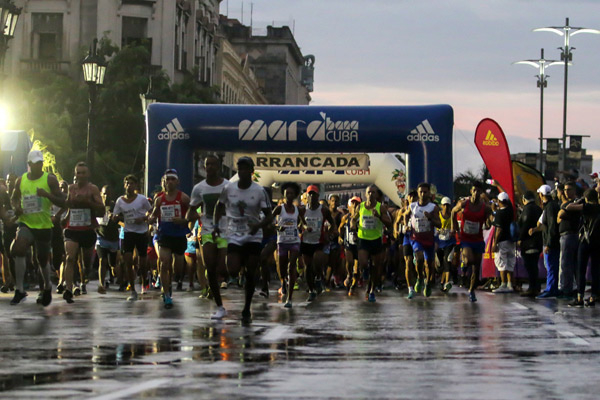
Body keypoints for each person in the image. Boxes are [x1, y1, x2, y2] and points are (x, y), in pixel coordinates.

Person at [213, 156, 273, 324]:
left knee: (251, 272)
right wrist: (217, 224)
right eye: (240, 169)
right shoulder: (229, 188)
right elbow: (219, 205)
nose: (242, 172)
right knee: (231, 269)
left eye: (246, 169)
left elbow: (269, 216)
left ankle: (247, 307)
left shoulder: (259, 191)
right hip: (234, 234)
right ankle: (238, 272)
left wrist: (259, 225)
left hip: (253, 235)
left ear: (251, 172)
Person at [9, 150, 65, 306]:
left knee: (41, 259)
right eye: (35, 164)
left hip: (43, 225)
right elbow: (14, 198)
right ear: (29, 165)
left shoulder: (50, 180)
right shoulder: (21, 180)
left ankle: (47, 286)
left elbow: (62, 201)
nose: (38, 166)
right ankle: (19, 289)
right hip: (26, 222)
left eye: (40, 163)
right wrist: (16, 208)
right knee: (19, 248)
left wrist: (47, 195)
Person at [187, 155, 229, 319]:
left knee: (222, 267)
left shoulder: (228, 186)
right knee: (209, 267)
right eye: (207, 165)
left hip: (225, 230)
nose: (210, 167)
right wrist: (191, 217)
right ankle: (219, 306)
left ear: (218, 167)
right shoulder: (199, 188)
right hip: (207, 231)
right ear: (204, 167)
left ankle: (220, 282)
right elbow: (192, 209)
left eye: (213, 164)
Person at [62, 161, 104, 303]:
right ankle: (68, 289)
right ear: (75, 174)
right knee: (70, 258)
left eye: (83, 173)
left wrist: (88, 202)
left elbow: (101, 209)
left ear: (88, 174)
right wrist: (63, 217)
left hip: (87, 229)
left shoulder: (93, 189)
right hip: (72, 228)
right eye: (78, 172)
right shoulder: (71, 188)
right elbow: (69, 206)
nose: (80, 175)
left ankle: (83, 278)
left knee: (86, 264)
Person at [149, 169, 190, 309]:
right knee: (164, 263)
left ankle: (171, 282)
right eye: (168, 179)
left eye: (173, 179)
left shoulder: (183, 197)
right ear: (164, 182)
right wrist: (148, 220)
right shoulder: (159, 199)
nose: (170, 182)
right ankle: (166, 294)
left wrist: (184, 220)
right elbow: (153, 215)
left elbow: (195, 212)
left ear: (177, 182)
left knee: (178, 268)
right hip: (164, 235)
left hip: (179, 235)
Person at [112, 175, 152, 300]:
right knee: (127, 261)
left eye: (132, 183)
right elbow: (115, 215)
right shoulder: (120, 201)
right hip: (128, 232)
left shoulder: (142, 199)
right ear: (124, 185)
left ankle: (145, 280)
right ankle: (133, 289)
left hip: (141, 232)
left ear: (135, 186)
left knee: (142, 263)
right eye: (127, 183)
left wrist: (144, 218)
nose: (129, 185)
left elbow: (151, 212)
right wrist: (116, 218)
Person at [452, 182, 492, 302]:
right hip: (466, 239)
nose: (476, 193)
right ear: (471, 191)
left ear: (481, 193)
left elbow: (489, 221)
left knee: (476, 267)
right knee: (470, 259)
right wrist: (455, 229)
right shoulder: (465, 203)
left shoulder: (485, 207)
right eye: (474, 190)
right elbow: (453, 212)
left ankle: (471, 290)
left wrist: (490, 221)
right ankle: (464, 265)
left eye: (478, 191)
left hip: (478, 239)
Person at [351, 184, 390, 302]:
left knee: (376, 267)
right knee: (363, 263)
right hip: (363, 239)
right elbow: (353, 218)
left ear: (376, 195)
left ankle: (371, 290)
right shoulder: (361, 206)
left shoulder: (380, 207)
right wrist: (353, 225)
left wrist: (379, 217)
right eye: (369, 192)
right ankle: (365, 272)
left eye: (373, 192)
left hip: (376, 239)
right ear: (365, 194)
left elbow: (389, 222)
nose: (371, 195)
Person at [403, 183, 441, 298]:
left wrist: (430, 218)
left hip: (429, 239)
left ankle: (428, 283)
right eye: (421, 192)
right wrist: (406, 225)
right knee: (419, 259)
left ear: (429, 193)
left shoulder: (433, 207)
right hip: (416, 238)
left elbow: (439, 223)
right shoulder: (413, 206)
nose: (423, 194)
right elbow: (405, 215)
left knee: (429, 265)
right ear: (418, 193)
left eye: (425, 192)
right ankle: (419, 278)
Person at [272, 182, 305, 308]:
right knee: (282, 268)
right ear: (284, 195)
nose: (289, 195)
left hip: (294, 241)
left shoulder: (298, 209)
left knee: (292, 267)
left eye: (292, 193)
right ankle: (283, 282)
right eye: (287, 193)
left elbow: (303, 222)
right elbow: (269, 221)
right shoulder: (279, 208)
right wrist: (277, 226)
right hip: (282, 242)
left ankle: (290, 298)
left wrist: (305, 227)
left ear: (295, 195)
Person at [301, 184, 336, 302]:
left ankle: (318, 278)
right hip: (305, 241)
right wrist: (304, 227)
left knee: (316, 263)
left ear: (317, 196)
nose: (312, 196)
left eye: (314, 194)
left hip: (318, 242)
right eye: (309, 194)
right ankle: (311, 290)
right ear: (307, 196)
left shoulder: (324, 210)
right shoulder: (302, 210)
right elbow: (298, 223)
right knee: (308, 267)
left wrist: (329, 234)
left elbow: (333, 224)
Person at [566, 189, 600, 307]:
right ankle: (593, 297)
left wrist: (579, 201)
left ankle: (579, 297)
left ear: (586, 198)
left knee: (581, 269)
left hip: (585, 241)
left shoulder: (587, 207)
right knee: (596, 270)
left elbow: (569, 207)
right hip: (597, 242)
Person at [529, 184, 561, 299]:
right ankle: (551, 288)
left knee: (551, 267)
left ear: (541, 195)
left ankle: (551, 289)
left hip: (552, 243)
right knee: (551, 267)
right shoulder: (550, 206)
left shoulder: (550, 207)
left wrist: (549, 244)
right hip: (551, 241)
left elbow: (552, 227)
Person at [556, 181, 580, 299]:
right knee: (569, 264)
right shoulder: (567, 204)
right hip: (567, 236)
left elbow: (561, 215)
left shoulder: (576, 202)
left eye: (569, 189)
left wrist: (563, 210)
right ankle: (571, 288)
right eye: (565, 190)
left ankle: (567, 289)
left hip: (570, 235)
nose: (566, 192)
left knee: (566, 264)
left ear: (574, 190)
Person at [517, 191, 543, 297]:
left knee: (529, 265)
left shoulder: (527, 209)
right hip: (538, 241)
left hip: (529, 242)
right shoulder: (538, 208)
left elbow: (525, 224)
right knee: (534, 265)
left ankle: (532, 287)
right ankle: (536, 287)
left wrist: (520, 238)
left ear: (524, 200)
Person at [95, 185, 120, 295]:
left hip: (113, 239)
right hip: (101, 237)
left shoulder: (116, 206)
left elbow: (122, 219)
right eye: (104, 194)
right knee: (102, 260)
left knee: (113, 265)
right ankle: (102, 284)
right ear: (101, 194)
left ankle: (118, 278)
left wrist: (116, 217)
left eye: (108, 194)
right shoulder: (97, 206)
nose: (106, 196)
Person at [491, 192, 516, 293]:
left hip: (502, 241)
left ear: (499, 202)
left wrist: (494, 243)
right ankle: (510, 284)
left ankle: (503, 284)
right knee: (510, 262)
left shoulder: (499, 213)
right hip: (511, 240)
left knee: (501, 263)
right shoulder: (511, 211)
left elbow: (499, 229)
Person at [339, 196, 361, 295]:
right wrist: (340, 237)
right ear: (350, 205)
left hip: (359, 244)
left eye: (357, 203)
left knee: (357, 267)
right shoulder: (346, 217)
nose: (355, 205)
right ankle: (348, 275)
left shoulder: (362, 217)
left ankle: (353, 285)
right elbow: (340, 228)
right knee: (349, 261)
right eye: (353, 203)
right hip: (348, 243)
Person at [436, 196, 457, 293]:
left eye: (448, 205)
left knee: (447, 260)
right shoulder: (438, 215)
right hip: (440, 242)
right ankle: (442, 282)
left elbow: (456, 226)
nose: (446, 207)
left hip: (450, 242)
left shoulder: (452, 216)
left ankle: (447, 282)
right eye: (444, 205)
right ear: (441, 206)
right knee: (441, 265)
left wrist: (455, 231)